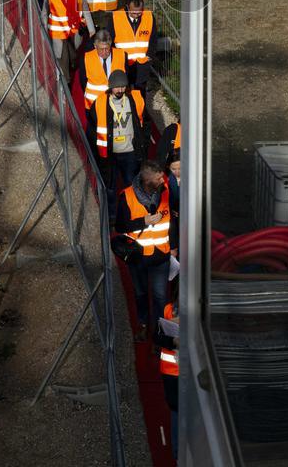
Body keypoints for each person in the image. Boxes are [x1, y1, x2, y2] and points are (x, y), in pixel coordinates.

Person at [115, 159, 177, 341]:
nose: (162, 181)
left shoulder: (165, 191)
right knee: (141, 294)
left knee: (160, 297)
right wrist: (143, 222)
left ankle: (158, 333)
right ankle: (143, 324)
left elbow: (171, 221)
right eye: (158, 179)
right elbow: (119, 226)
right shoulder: (126, 197)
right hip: (138, 257)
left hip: (161, 255)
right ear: (147, 181)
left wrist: (173, 246)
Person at [87, 70, 149, 222]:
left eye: (123, 86)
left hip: (130, 152)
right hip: (110, 154)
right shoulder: (100, 102)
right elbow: (92, 128)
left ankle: (134, 212)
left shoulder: (135, 99)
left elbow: (144, 122)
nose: (120, 90)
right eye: (117, 87)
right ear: (110, 87)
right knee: (111, 187)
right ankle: (112, 216)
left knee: (132, 185)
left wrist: (143, 144)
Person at [110, 0, 157, 93]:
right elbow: (109, 40)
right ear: (127, 7)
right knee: (123, 90)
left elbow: (153, 39)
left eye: (139, 12)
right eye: (133, 12)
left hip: (142, 62)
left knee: (140, 91)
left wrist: (150, 56)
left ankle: (141, 107)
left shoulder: (149, 16)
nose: (136, 14)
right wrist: (115, 59)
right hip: (122, 62)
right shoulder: (115, 17)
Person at [47, 0, 86, 82]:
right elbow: (45, 12)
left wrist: (89, 27)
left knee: (73, 56)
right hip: (58, 32)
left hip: (74, 30)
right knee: (62, 58)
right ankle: (65, 83)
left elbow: (84, 7)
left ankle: (70, 72)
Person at [155, 289, 180, 461]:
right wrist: (173, 341)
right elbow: (156, 337)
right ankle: (178, 454)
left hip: (186, 372)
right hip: (173, 374)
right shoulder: (168, 310)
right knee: (177, 412)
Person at [78, 29, 127, 113]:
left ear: (110, 45)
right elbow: (83, 81)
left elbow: (125, 78)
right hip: (93, 104)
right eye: (101, 49)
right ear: (95, 46)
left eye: (107, 49)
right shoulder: (86, 58)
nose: (104, 52)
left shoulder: (121, 55)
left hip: (116, 103)